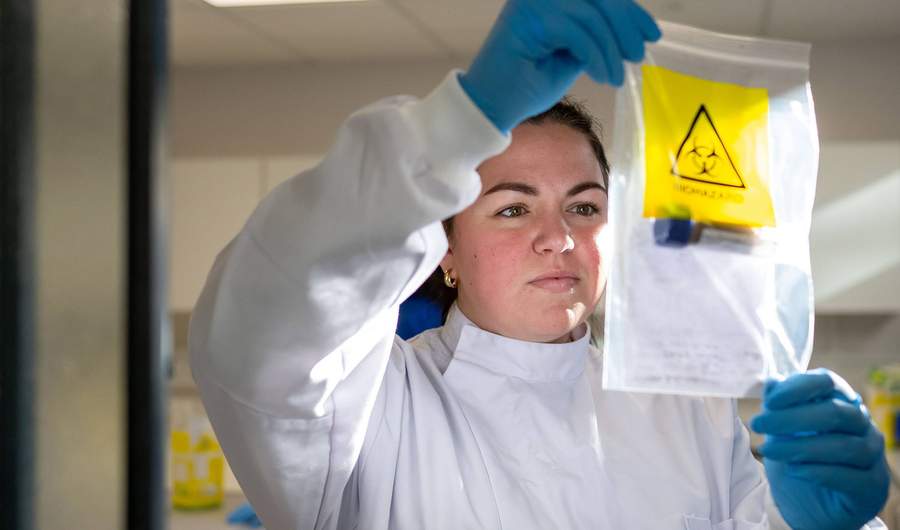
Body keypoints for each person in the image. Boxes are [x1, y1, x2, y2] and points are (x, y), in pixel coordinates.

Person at [189, 1, 890, 529]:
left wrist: (815, 523)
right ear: (448, 252)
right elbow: (267, 316)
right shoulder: (374, 407)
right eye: (513, 208)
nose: (558, 238)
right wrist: (467, 115)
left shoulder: (683, 406)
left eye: (584, 208)